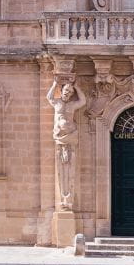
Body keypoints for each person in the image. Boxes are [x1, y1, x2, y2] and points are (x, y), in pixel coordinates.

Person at [46, 80, 87, 210]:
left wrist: (77, 88)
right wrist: (54, 85)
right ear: (62, 90)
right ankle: (64, 199)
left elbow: (83, 101)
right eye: (66, 91)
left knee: (69, 164)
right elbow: (49, 97)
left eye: (70, 92)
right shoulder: (57, 102)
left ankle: (67, 199)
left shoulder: (72, 105)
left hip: (70, 135)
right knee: (63, 165)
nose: (67, 93)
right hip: (59, 136)